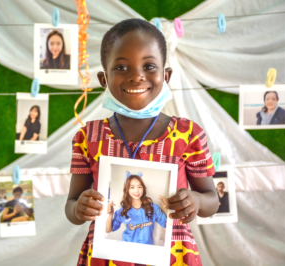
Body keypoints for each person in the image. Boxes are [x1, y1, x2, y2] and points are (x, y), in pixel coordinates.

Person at [65, 19, 219, 266]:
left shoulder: (188, 134)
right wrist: (78, 209)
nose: (137, 77)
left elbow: (212, 199)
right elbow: (72, 205)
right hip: (108, 257)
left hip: (173, 256)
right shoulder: (88, 137)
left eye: (149, 66)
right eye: (122, 68)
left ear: (166, 75)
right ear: (103, 79)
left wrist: (197, 201)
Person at [105, 174, 168, 245]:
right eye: (132, 187)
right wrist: (110, 214)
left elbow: (168, 225)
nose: (136, 190)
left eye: (139, 187)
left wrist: (166, 209)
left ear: (143, 188)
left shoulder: (153, 208)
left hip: (147, 248)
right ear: (127, 189)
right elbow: (108, 230)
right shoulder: (122, 211)